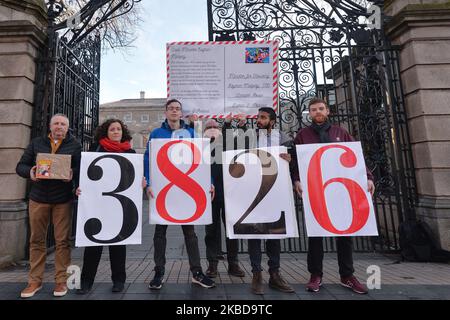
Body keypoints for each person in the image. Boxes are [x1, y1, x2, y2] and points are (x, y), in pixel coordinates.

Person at [291, 97, 375, 294]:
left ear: (327, 111)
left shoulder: (341, 132)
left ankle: (347, 275)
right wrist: (296, 180)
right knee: (316, 234)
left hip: (341, 192)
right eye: (313, 110)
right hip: (315, 191)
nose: (318, 112)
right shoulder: (303, 135)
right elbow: (295, 161)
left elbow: (356, 156)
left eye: (321, 108)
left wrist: (368, 177)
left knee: (344, 234)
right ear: (309, 113)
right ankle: (315, 275)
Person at [144, 99, 215, 289]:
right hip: (163, 189)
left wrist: (209, 182)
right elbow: (148, 158)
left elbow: (202, 159)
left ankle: (197, 272)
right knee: (160, 233)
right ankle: (159, 272)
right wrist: (148, 181)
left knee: (190, 233)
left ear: (181, 113)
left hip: (186, 190)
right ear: (166, 112)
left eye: (177, 109)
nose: (174, 111)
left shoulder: (191, 133)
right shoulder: (156, 134)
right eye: (171, 109)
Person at [75, 119, 146, 294]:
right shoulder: (95, 149)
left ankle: (119, 280)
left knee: (118, 243)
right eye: (112, 129)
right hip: (97, 204)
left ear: (123, 132)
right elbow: (83, 173)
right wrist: (78, 187)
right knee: (93, 244)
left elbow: (133, 177)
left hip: (119, 205)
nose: (116, 132)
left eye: (118, 129)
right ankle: (86, 281)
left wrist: (141, 182)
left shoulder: (130, 151)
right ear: (106, 132)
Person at [16, 114, 82, 298]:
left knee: (62, 241)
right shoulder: (37, 143)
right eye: (56, 123)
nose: (59, 126)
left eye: (63, 124)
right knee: (36, 240)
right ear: (50, 126)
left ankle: (61, 282)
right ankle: (34, 281)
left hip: (62, 200)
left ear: (67, 128)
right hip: (38, 199)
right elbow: (20, 166)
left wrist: (72, 173)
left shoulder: (75, 145)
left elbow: (81, 169)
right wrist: (30, 172)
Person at [240, 107, 295, 295]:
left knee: (273, 232)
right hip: (253, 190)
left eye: (263, 118)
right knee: (254, 233)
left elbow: (294, 160)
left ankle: (275, 273)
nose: (259, 120)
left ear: (272, 120)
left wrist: (290, 158)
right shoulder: (247, 137)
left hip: (275, 190)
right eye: (258, 117)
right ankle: (256, 274)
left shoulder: (284, 138)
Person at [201, 118, 245, 278]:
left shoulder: (228, 143)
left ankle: (233, 263)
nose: (212, 129)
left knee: (231, 230)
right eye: (209, 127)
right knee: (211, 231)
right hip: (209, 195)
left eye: (215, 126)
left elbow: (242, 144)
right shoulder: (201, 146)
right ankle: (212, 265)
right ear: (204, 131)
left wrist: (234, 125)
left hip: (229, 194)